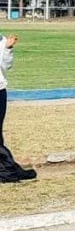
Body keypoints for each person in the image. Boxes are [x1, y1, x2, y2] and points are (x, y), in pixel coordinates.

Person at [0, 33, 37, 183]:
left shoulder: (1, 40)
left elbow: (6, 66)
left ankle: (6, 169)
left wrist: (7, 49)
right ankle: (8, 170)